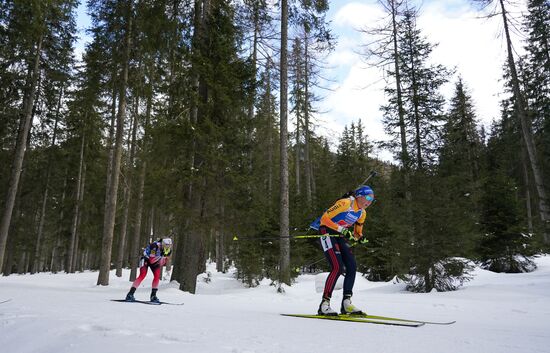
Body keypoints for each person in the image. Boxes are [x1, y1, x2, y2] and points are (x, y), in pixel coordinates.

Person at [310, 185, 374, 316]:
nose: (369, 201)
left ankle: (346, 303)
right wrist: (341, 229)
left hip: (339, 235)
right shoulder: (345, 203)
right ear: (359, 196)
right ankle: (324, 304)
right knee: (337, 267)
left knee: (351, 266)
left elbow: (357, 233)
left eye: (372, 199)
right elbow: (324, 219)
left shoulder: (362, 213)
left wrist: (360, 238)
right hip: (326, 232)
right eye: (368, 197)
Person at [125, 238, 173, 303]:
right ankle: (130, 294)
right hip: (146, 259)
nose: (168, 247)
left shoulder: (169, 251)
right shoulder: (155, 246)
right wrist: (161, 258)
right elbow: (151, 259)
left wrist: (164, 260)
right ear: (163, 244)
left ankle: (153, 296)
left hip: (155, 262)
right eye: (167, 245)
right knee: (142, 275)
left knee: (157, 276)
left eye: (170, 245)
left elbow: (161, 263)